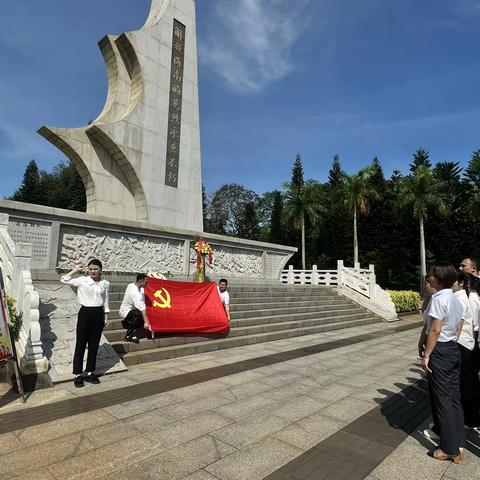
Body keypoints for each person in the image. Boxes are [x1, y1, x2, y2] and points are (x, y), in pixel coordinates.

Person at [421, 262, 465, 463]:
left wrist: (427, 354)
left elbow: (435, 330)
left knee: (443, 401)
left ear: (439, 280)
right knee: (454, 399)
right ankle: (458, 443)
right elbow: (460, 324)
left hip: (440, 350)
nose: (428, 278)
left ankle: (449, 449)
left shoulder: (439, 299)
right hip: (452, 349)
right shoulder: (455, 299)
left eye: (431, 276)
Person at [61, 259, 110, 388]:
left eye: (96, 269)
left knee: (94, 344)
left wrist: (106, 315)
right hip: (85, 313)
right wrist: (76, 269)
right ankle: (77, 374)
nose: (93, 271)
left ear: (100, 270)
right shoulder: (83, 280)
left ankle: (90, 372)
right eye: (91, 269)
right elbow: (64, 279)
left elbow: (105, 300)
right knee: (81, 344)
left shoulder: (105, 283)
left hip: (98, 314)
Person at [453, 272, 480, 428]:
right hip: (470, 340)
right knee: (468, 382)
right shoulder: (468, 297)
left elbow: (464, 323)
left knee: (467, 383)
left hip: (467, 341)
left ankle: (470, 418)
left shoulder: (470, 299)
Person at [119, 273, 150, 343]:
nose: (147, 284)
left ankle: (128, 323)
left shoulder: (132, 285)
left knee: (142, 314)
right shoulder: (135, 293)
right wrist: (146, 322)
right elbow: (142, 308)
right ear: (141, 281)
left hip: (131, 310)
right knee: (139, 314)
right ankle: (128, 335)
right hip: (125, 311)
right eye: (146, 282)